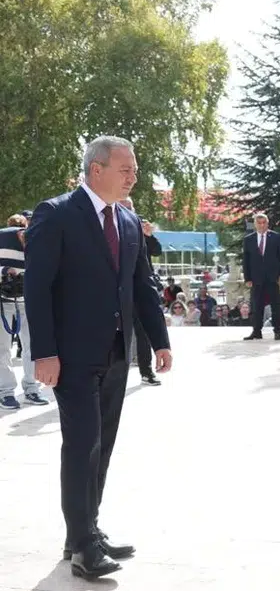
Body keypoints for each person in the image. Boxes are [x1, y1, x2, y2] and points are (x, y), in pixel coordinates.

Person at [24, 135, 173, 579]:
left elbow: (142, 286)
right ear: (96, 170)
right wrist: (44, 352)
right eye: (125, 170)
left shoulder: (127, 220)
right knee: (82, 443)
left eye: (135, 171)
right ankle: (83, 546)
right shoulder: (56, 214)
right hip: (71, 356)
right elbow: (37, 287)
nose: (133, 178)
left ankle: (84, 532)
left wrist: (160, 340)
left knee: (102, 444)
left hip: (116, 352)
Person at [0, 219, 47, 409]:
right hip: (3, 300)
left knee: (33, 346)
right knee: (3, 348)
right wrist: (4, 271)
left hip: (29, 300)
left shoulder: (41, 244)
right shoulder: (3, 236)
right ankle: (5, 392)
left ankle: (32, 389)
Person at [119, 197, 163, 385]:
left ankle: (146, 371)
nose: (127, 210)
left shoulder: (139, 226)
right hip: (116, 286)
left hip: (138, 286)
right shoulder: (107, 224)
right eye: (123, 206)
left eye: (130, 207)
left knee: (143, 330)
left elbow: (157, 251)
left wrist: (149, 236)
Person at [242, 212, 280, 340]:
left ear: (267, 223)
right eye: (259, 223)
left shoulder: (276, 237)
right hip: (256, 279)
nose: (262, 225)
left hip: (273, 278)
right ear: (255, 224)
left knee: (275, 306)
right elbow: (246, 260)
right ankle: (257, 331)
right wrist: (247, 278)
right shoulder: (248, 239)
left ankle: (277, 331)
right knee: (256, 306)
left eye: (264, 223)